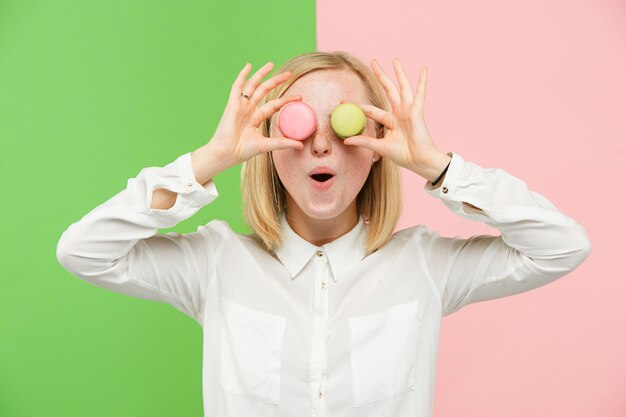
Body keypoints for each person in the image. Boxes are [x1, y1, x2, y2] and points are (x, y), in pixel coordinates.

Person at [56, 51, 592, 417]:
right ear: (267, 145)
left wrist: (437, 165)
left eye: (345, 123)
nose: (320, 144)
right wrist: (209, 160)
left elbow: (562, 246)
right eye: (298, 123)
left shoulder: (425, 266)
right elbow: (83, 252)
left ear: (378, 145)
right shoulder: (215, 264)